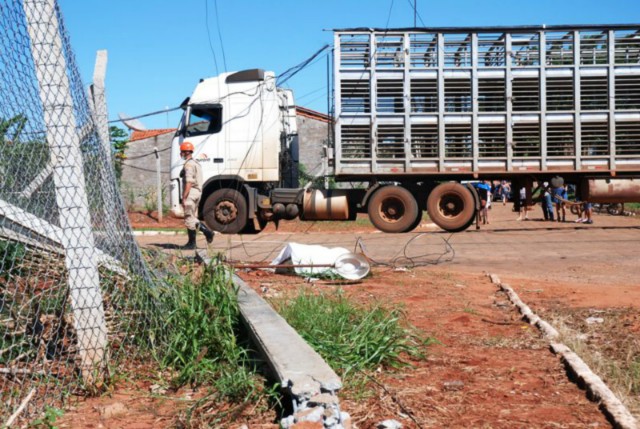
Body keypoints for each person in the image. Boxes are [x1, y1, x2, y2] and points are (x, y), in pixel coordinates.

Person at [179, 141, 214, 249]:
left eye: (181, 152)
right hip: (197, 193)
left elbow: (189, 182)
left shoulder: (189, 165)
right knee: (192, 217)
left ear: (184, 152)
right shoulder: (196, 163)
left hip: (191, 193)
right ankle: (193, 241)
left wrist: (184, 197)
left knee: (189, 218)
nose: (181, 154)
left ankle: (206, 233)